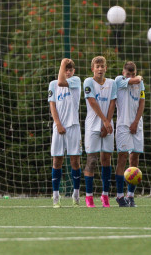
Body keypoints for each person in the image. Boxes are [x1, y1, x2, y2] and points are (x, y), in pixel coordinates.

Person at [48, 58, 83, 207]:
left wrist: (63, 64)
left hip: (73, 126)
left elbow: (62, 82)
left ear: (73, 71)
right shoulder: (52, 84)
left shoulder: (75, 80)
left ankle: (76, 194)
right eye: (65, 69)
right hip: (59, 127)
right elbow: (53, 105)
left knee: (75, 161)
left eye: (70, 70)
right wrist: (57, 123)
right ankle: (56, 196)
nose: (67, 72)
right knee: (57, 160)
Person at [83, 56, 116, 208]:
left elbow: (112, 103)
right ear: (93, 69)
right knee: (91, 160)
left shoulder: (112, 83)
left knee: (106, 160)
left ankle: (105, 196)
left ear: (106, 68)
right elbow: (92, 102)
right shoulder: (88, 82)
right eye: (97, 66)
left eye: (102, 66)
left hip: (107, 125)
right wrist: (104, 121)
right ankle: (89, 196)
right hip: (92, 126)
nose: (100, 69)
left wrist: (107, 122)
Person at [113, 62, 144, 207]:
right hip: (123, 125)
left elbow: (142, 103)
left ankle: (130, 195)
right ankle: (119, 196)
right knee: (122, 157)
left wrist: (136, 122)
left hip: (137, 125)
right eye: (128, 73)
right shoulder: (119, 80)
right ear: (123, 72)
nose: (130, 76)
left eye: (133, 73)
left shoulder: (140, 84)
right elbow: (136, 80)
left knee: (135, 158)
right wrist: (137, 77)